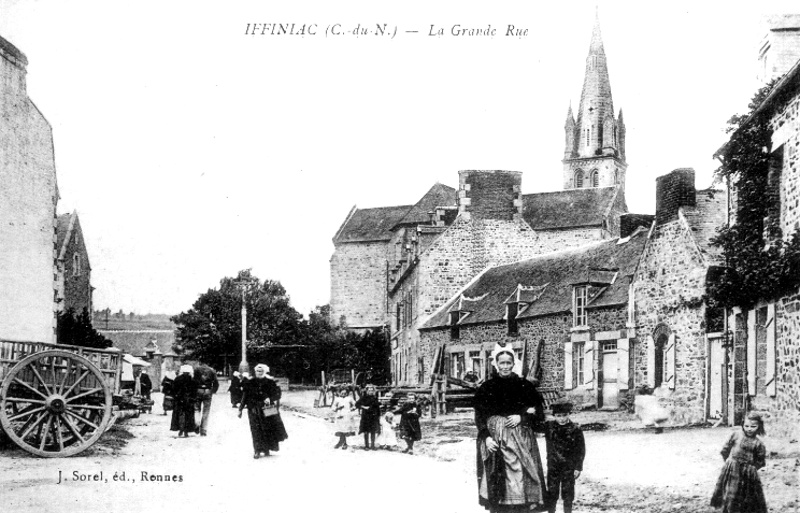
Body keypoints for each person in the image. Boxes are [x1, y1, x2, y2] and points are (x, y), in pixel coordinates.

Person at [474, 350, 547, 513]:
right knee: (498, 476)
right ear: (496, 364)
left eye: (508, 363)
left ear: (514, 364)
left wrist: (522, 418)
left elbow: (538, 412)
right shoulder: (487, 387)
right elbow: (480, 417)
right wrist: (486, 438)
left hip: (521, 439)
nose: (505, 366)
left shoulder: (525, 385)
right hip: (496, 439)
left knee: (522, 476)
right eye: (502, 363)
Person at [710, 411, 768, 513]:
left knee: (746, 496)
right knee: (731, 493)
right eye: (747, 426)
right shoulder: (736, 435)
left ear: (759, 427)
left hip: (748, 475)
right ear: (742, 424)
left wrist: (750, 469)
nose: (749, 429)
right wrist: (730, 463)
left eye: (753, 426)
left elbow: (760, 461)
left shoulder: (758, 444)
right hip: (732, 470)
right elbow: (725, 450)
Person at [238, 363, 288, 459]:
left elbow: (278, 394)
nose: (259, 372)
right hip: (254, 408)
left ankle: (266, 449)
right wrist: (240, 409)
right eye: (257, 371)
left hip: (268, 408)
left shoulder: (270, 382)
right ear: (255, 371)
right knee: (255, 429)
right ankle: (257, 450)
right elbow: (245, 396)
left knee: (269, 428)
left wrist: (270, 398)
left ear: (264, 372)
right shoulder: (250, 382)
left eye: (261, 371)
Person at [543, 402, 585, 513]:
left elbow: (581, 450)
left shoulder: (575, 429)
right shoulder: (549, 427)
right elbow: (533, 425)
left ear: (569, 414)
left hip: (569, 467)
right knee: (552, 493)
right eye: (558, 416)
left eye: (564, 415)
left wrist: (578, 467)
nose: (561, 419)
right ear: (554, 416)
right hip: (553, 466)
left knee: (568, 494)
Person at [170, 365, 197, 437]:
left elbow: (173, 389)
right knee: (188, 415)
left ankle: (180, 429)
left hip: (179, 399)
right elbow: (194, 391)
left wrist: (175, 396)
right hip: (189, 400)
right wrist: (193, 398)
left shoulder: (177, 379)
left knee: (179, 414)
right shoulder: (192, 380)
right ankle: (186, 430)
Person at [193, 364, 219, 436]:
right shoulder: (212, 370)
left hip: (198, 389)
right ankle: (203, 430)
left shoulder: (197, 369)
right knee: (206, 411)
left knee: (196, 409)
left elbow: (194, 381)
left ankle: (197, 423)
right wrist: (213, 391)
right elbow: (216, 382)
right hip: (208, 390)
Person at [355, 384, 381, 450]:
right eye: (369, 390)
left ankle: (372, 445)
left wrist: (378, 416)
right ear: (367, 391)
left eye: (372, 390)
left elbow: (377, 407)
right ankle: (366, 446)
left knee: (373, 431)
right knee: (366, 431)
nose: (370, 391)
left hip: (373, 417)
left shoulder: (375, 398)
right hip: (366, 417)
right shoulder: (364, 397)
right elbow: (357, 404)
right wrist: (364, 407)